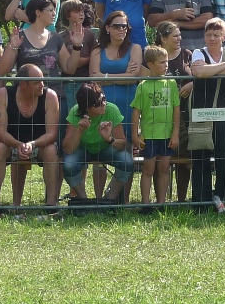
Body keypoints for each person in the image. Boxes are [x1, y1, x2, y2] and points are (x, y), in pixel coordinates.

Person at [0, 65, 61, 210]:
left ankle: (51, 205)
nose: (42, 85)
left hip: (39, 145)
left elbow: (52, 134)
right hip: (10, 144)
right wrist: (18, 144)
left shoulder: (50, 96)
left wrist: (32, 144)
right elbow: (0, 132)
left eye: (43, 80)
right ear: (23, 84)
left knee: (51, 150)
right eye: (37, 82)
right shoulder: (4, 94)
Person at [190, 18, 225, 211]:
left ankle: (223, 197)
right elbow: (198, 73)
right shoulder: (198, 52)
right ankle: (201, 202)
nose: (212, 38)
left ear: (224, 36)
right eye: (208, 35)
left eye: (216, 35)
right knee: (200, 157)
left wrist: (209, 69)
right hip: (201, 112)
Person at [61, 82, 134, 203]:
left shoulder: (112, 109)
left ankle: (110, 199)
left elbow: (122, 144)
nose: (104, 104)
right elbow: (68, 149)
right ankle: (84, 201)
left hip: (105, 147)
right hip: (83, 149)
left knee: (127, 162)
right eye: (98, 103)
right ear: (87, 107)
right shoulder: (75, 112)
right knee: (68, 165)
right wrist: (79, 131)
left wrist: (109, 139)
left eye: (104, 99)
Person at [131, 46, 180, 206]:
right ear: (150, 64)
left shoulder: (171, 83)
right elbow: (136, 112)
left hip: (167, 134)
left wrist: (175, 133)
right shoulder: (143, 85)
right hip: (149, 135)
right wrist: (135, 135)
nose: (166, 65)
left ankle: (161, 203)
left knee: (164, 168)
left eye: (167, 61)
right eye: (162, 62)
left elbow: (176, 109)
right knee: (148, 170)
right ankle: (145, 204)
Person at [0, 0, 81, 81]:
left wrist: (77, 46)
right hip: (26, 88)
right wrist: (13, 48)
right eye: (50, 10)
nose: (54, 13)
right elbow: (3, 70)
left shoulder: (56, 38)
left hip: (53, 88)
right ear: (38, 12)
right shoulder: (18, 37)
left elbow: (69, 69)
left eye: (54, 10)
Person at [155, 21, 193, 202]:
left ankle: (181, 200)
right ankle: (160, 200)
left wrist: (192, 84)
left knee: (184, 158)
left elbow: (198, 75)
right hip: (159, 114)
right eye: (175, 36)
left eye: (180, 35)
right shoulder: (153, 54)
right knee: (160, 159)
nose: (179, 38)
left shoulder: (187, 54)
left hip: (185, 113)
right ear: (163, 38)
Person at [90, 11, 143, 140]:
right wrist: (124, 75)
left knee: (127, 143)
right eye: (117, 26)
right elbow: (93, 79)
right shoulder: (97, 51)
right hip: (103, 105)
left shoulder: (135, 48)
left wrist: (104, 76)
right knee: (103, 139)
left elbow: (133, 78)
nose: (121, 29)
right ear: (107, 28)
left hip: (128, 103)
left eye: (124, 26)